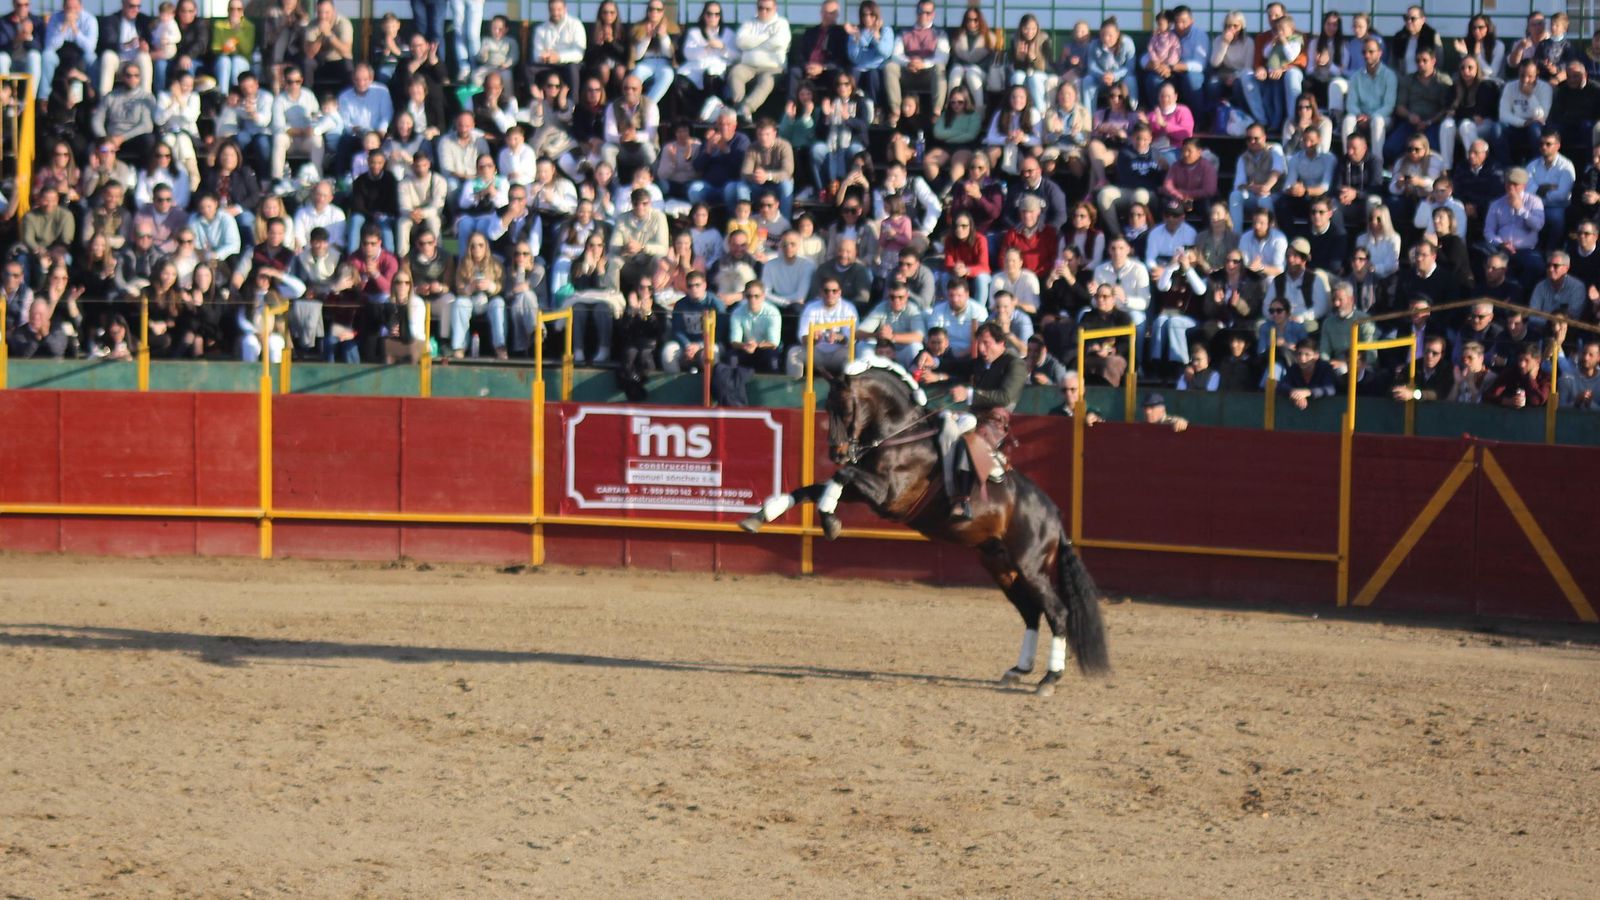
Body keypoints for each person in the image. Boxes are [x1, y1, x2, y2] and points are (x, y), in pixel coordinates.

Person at [943, 321, 1025, 519]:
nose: (981, 348)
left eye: (987, 343)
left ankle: (963, 500)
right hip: (974, 417)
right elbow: (957, 367)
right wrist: (935, 363)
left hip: (994, 422)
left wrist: (969, 395)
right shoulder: (981, 362)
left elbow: (1005, 397)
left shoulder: (1015, 364)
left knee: (968, 443)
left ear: (1001, 343)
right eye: (979, 343)